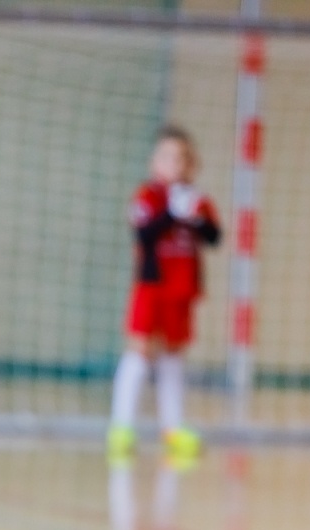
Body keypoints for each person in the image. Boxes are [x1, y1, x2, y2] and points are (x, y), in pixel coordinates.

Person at [108, 125, 221, 462]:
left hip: (182, 290)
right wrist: (171, 214)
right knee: (140, 350)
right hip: (152, 287)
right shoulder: (148, 197)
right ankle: (121, 427)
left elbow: (214, 237)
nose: (177, 164)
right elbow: (143, 234)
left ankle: (173, 428)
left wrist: (196, 220)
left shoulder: (198, 202)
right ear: (155, 162)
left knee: (173, 356)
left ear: (193, 164)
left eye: (184, 158)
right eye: (169, 157)